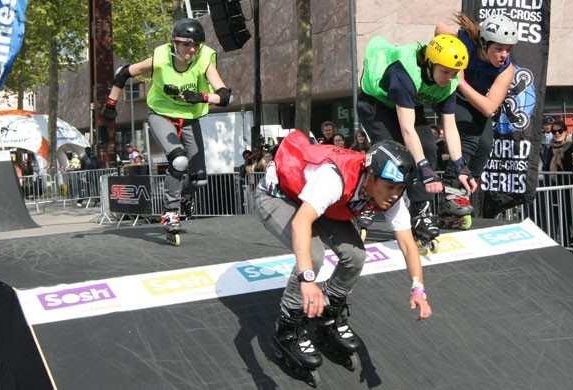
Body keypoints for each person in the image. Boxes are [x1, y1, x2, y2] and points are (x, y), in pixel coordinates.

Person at [255, 130, 432, 372]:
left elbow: (408, 244)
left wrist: (418, 288)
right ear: (370, 175)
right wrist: (307, 280)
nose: (394, 195)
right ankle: (287, 328)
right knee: (313, 255)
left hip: (324, 203)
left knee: (356, 256)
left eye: (400, 189)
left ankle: (329, 313)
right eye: (390, 187)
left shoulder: (390, 191)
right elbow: (301, 222)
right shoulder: (334, 179)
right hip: (280, 195)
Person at [102, 18, 231, 235]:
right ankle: (171, 211)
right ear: (174, 43)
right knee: (179, 160)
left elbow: (225, 96)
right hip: (161, 114)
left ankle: (185, 197)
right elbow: (123, 73)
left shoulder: (205, 59)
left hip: (189, 118)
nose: (191, 50)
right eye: (186, 45)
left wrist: (201, 96)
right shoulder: (160, 59)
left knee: (199, 180)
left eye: (195, 45)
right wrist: (111, 104)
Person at [357, 33, 477, 245]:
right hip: (376, 104)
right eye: (445, 72)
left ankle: (421, 211)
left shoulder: (450, 81)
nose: (449, 78)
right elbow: (407, 130)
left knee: (429, 147)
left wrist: (461, 166)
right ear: (430, 64)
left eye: (454, 73)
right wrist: (424, 169)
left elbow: (449, 126)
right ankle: (365, 198)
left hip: (409, 104)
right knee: (390, 155)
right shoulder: (404, 73)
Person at [433, 14, 517, 226]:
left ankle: (464, 189)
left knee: (486, 144)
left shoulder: (506, 69)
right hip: (450, 94)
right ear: (484, 43)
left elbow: (489, 107)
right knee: (469, 139)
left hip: (473, 98)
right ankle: (450, 196)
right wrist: (450, 66)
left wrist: (463, 83)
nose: (503, 55)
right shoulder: (466, 41)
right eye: (498, 48)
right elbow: (439, 27)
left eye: (508, 49)